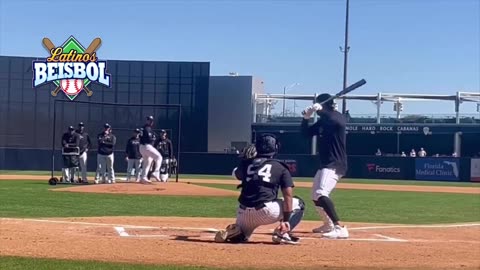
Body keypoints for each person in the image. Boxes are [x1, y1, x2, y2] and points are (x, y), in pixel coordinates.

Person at [214, 133, 305, 245]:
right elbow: (288, 196)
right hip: (266, 212)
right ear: (275, 148)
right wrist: (286, 221)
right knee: (299, 203)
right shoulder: (280, 167)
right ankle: (282, 233)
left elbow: (236, 174)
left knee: (243, 237)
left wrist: (244, 161)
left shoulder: (247, 163)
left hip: (243, 213)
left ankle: (237, 233)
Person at [300, 93, 349, 239]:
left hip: (335, 163)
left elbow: (337, 121)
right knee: (315, 195)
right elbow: (305, 134)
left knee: (321, 193)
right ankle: (328, 224)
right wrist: (306, 118)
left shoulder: (336, 117)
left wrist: (323, 111)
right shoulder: (323, 121)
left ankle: (340, 227)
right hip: (325, 163)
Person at [139, 116, 163, 183]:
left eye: (151, 120)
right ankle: (156, 172)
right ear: (147, 121)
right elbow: (149, 139)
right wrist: (153, 138)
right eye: (149, 120)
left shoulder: (143, 127)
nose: (150, 122)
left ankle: (143, 178)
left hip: (141, 147)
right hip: (146, 146)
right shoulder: (147, 128)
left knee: (147, 161)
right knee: (159, 157)